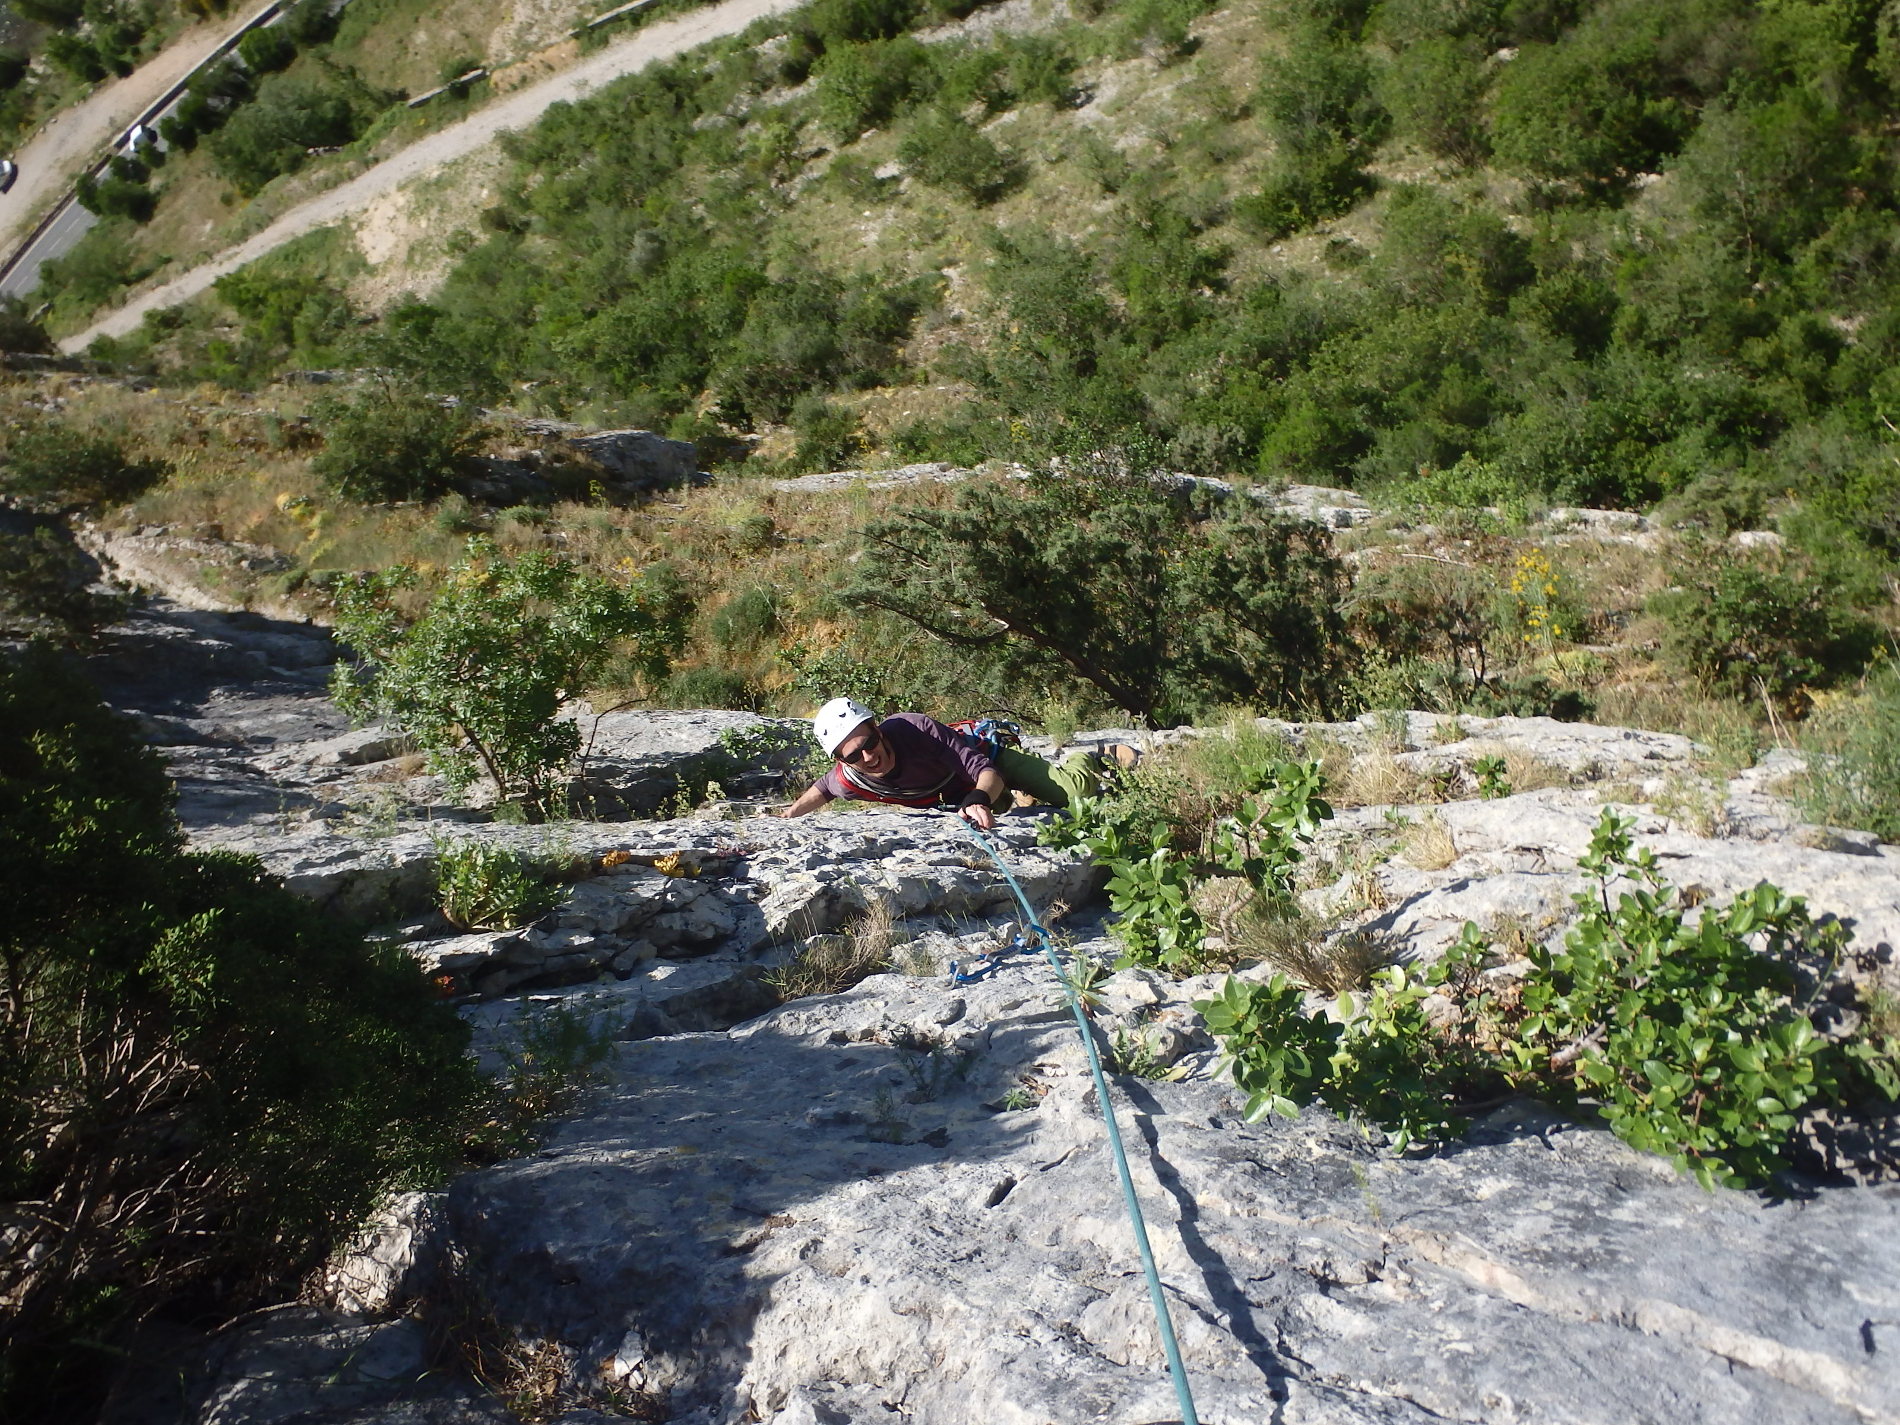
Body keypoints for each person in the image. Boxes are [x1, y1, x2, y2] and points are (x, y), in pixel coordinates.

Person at [777, 698, 1135, 829]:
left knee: (1074, 795)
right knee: (1005, 807)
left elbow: (985, 772)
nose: (868, 756)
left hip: (989, 766)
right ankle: (1018, 797)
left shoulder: (914, 730)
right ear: (842, 759)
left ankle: (1084, 759)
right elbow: (824, 789)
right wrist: (790, 815)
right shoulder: (852, 778)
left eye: (869, 742)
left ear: (878, 729)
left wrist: (980, 797)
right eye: (854, 755)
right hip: (963, 795)